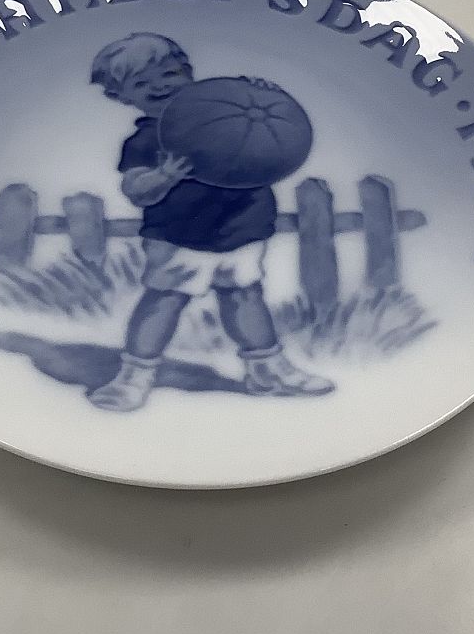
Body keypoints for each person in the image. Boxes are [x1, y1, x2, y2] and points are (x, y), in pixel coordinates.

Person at [87, 32, 334, 410]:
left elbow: (275, 141)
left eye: (169, 73)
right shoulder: (147, 139)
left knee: (244, 296)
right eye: (142, 83)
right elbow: (136, 191)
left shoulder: (226, 115)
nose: (160, 85)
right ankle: (134, 376)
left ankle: (267, 369)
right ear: (120, 97)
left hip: (242, 225)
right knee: (165, 300)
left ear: (189, 72)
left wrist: (266, 100)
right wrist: (164, 176)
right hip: (180, 235)